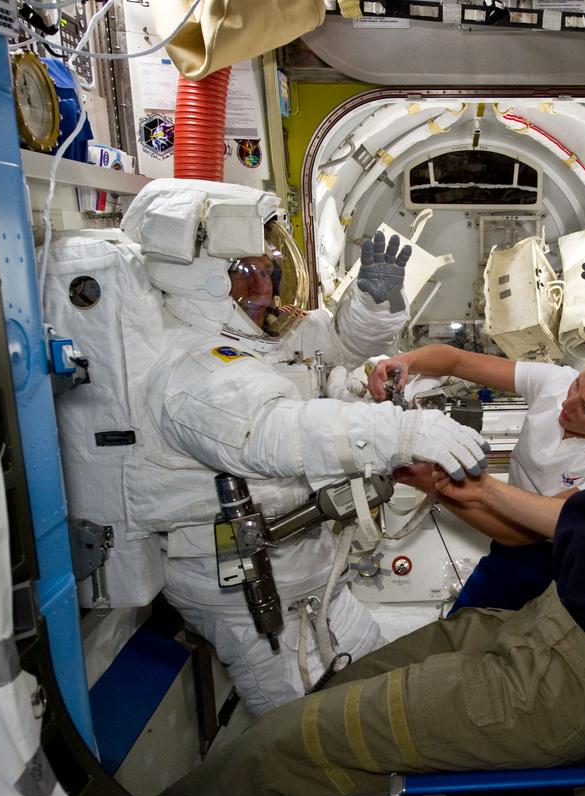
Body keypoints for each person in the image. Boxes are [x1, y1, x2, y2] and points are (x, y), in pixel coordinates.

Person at [150, 244, 585, 796]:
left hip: (559, 685)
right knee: (326, 697)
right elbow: (577, 524)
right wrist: (464, 486)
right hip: (535, 625)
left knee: (287, 745)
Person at [117, 178, 489, 716]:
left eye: (269, 270)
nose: (264, 287)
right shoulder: (193, 368)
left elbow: (332, 346)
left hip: (307, 574)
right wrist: (401, 434)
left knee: (371, 685)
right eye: (246, 273)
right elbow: (273, 430)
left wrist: (371, 304)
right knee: (311, 733)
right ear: (200, 280)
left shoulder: (257, 337)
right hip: (254, 594)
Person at [365, 344, 585, 613]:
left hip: (556, 556)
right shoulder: (556, 382)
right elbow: (456, 361)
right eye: (577, 385)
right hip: (511, 545)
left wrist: (430, 483)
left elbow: (518, 535)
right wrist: (406, 360)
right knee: (464, 624)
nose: (567, 402)